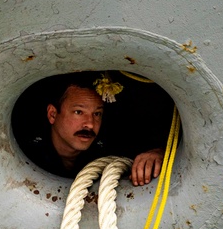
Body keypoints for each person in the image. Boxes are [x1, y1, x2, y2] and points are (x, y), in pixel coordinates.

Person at [24, 72, 168, 186]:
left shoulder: (112, 142)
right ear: (53, 114)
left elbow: (147, 149)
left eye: (97, 114)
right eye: (79, 112)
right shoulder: (27, 151)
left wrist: (157, 154)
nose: (90, 124)